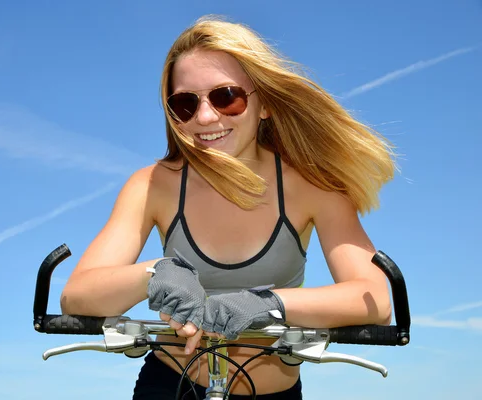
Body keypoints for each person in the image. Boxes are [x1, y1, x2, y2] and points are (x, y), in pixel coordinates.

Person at [60, 15, 396, 399]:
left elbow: (375, 300)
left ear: (264, 103)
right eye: (185, 104)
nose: (204, 117)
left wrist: (268, 303)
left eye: (226, 97)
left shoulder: (313, 185)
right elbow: (76, 295)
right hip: (168, 386)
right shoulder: (152, 184)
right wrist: (156, 273)